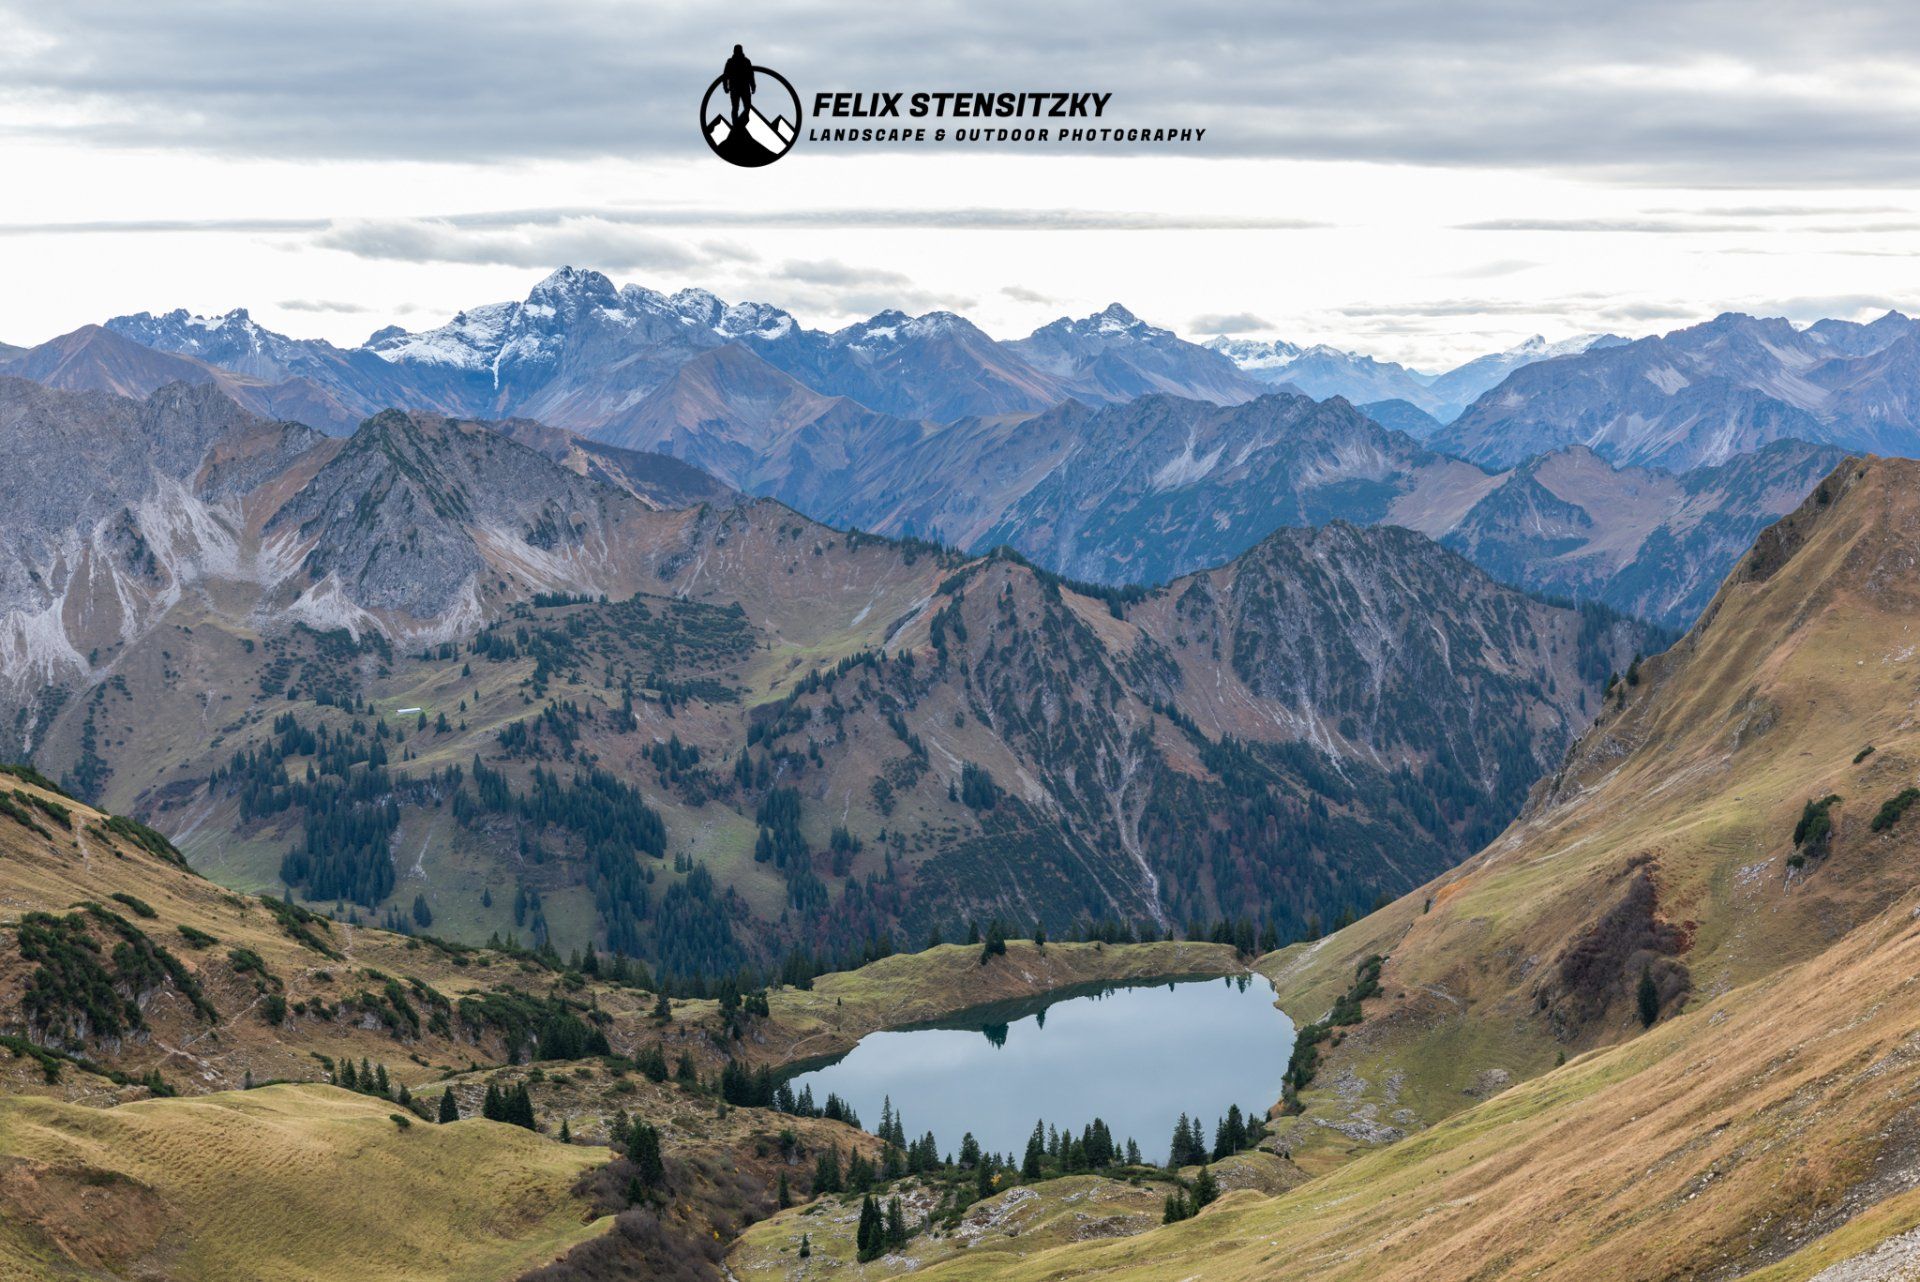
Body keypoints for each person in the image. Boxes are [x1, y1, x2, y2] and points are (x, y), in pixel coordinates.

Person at [723, 45, 756, 127]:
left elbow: (750, 75)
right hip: (737, 88)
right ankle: (737, 125)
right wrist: (725, 87)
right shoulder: (732, 62)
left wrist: (753, 86)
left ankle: (739, 124)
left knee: (745, 107)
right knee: (737, 108)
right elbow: (725, 76)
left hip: (741, 88)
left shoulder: (744, 61)